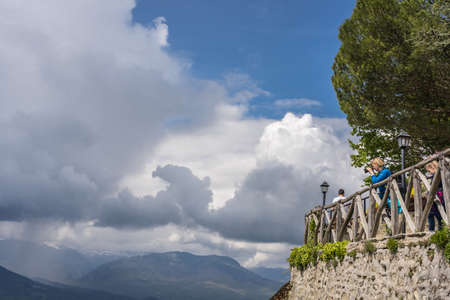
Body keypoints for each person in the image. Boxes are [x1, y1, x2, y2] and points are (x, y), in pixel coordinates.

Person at [425, 161, 444, 231]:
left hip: (438, 196)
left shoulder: (438, 175)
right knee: (432, 214)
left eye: (429, 170)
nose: (429, 172)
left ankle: (436, 231)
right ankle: (435, 230)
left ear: (432, 167)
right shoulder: (436, 175)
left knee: (439, 216)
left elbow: (437, 186)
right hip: (436, 195)